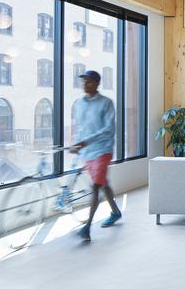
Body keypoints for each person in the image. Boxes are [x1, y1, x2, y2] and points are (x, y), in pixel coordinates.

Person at [70, 70, 122, 241]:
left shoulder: (106, 103)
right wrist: (77, 145)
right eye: (84, 81)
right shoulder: (79, 103)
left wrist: (85, 142)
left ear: (98, 83)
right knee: (103, 183)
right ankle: (116, 212)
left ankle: (87, 228)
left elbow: (108, 130)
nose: (85, 84)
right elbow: (80, 128)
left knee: (95, 187)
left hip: (102, 150)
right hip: (87, 152)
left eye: (89, 81)